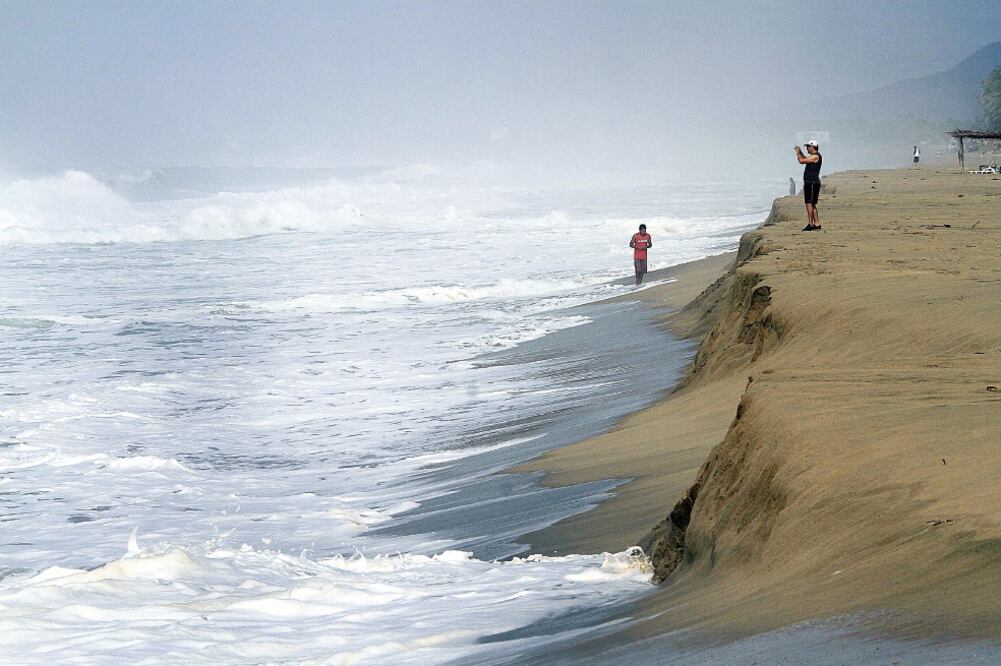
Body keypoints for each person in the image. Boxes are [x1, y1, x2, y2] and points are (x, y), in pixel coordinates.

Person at [794, 139, 822, 231]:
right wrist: (801, 152)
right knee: (812, 204)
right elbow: (805, 159)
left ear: (811, 147)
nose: (806, 148)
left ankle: (811, 223)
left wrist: (798, 153)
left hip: (812, 182)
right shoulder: (814, 156)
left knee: (809, 203)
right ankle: (817, 224)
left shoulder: (815, 156)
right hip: (811, 182)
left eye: (807, 147)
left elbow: (802, 161)